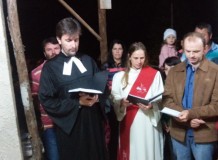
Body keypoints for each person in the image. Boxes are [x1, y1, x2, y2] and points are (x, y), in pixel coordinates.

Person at [39, 17, 107, 160]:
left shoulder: (88, 60)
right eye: (68, 40)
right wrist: (77, 103)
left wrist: (98, 96)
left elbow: (103, 87)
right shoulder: (51, 68)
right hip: (70, 128)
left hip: (93, 123)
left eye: (76, 40)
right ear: (59, 39)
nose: (74, 45)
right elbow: (46, 100)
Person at [162, 32, 218, 160]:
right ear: (183, 48)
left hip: (204, 134)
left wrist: (190, 114)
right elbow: (167, 101)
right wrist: (185, 117)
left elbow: (216, 105)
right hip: (178, 133)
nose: (191, 55)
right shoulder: (174, 71)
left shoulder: (215, 72)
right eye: (188, 51)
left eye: (196, 51)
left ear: (204, 49)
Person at [111, 42, 164, 160]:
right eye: (136, 58)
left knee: (148, 150)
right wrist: (121, 103)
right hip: (129, 121)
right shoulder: (119, 77)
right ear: (129, 56)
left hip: (148, 121)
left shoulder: (155, 75)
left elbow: (160, 98)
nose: (139, 61)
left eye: (142, 58)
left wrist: (152, 106)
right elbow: (115, 98)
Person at [31, 37, 61, 160]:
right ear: (44, 53)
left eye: (56, 48)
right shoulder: (36, 74)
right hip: (50, 125)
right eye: (49, 49)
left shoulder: (70, 70)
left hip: (70, 123)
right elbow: (35, 99)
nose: (53, 52)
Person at [101, 39, 127, 160]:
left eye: (120, 49)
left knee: (126, 130)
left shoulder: (128, 65)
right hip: (111, 104)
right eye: (115, 49)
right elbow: (103, 86)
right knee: (113, 132)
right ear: (111, 51)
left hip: (126, 102)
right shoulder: (106, 66)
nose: (117, 52)